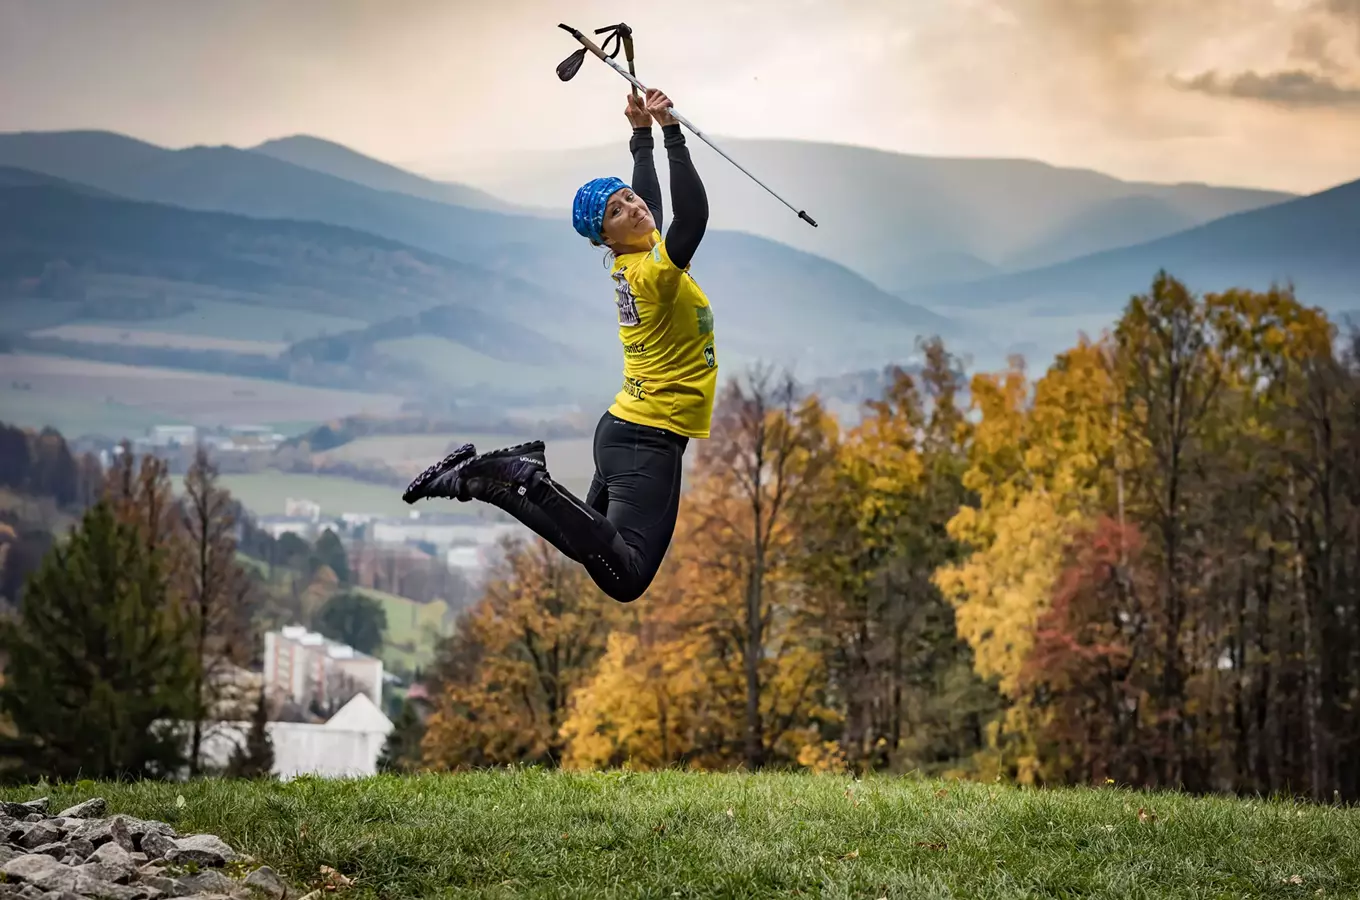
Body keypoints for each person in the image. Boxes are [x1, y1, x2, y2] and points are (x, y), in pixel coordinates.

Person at [402, 86, 715, 604]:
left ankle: (475, 482)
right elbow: (691, 220)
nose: (634, 209)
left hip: (627, 430)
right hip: (649, 437)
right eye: (617, 212)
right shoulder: (651, 274)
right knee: (627, 576)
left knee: (588, 543)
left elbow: (654, 208)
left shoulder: (636, 254)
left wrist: (641, 137)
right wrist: (673, 135)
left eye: (629, 198)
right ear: (605, 239)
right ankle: (523, 476)